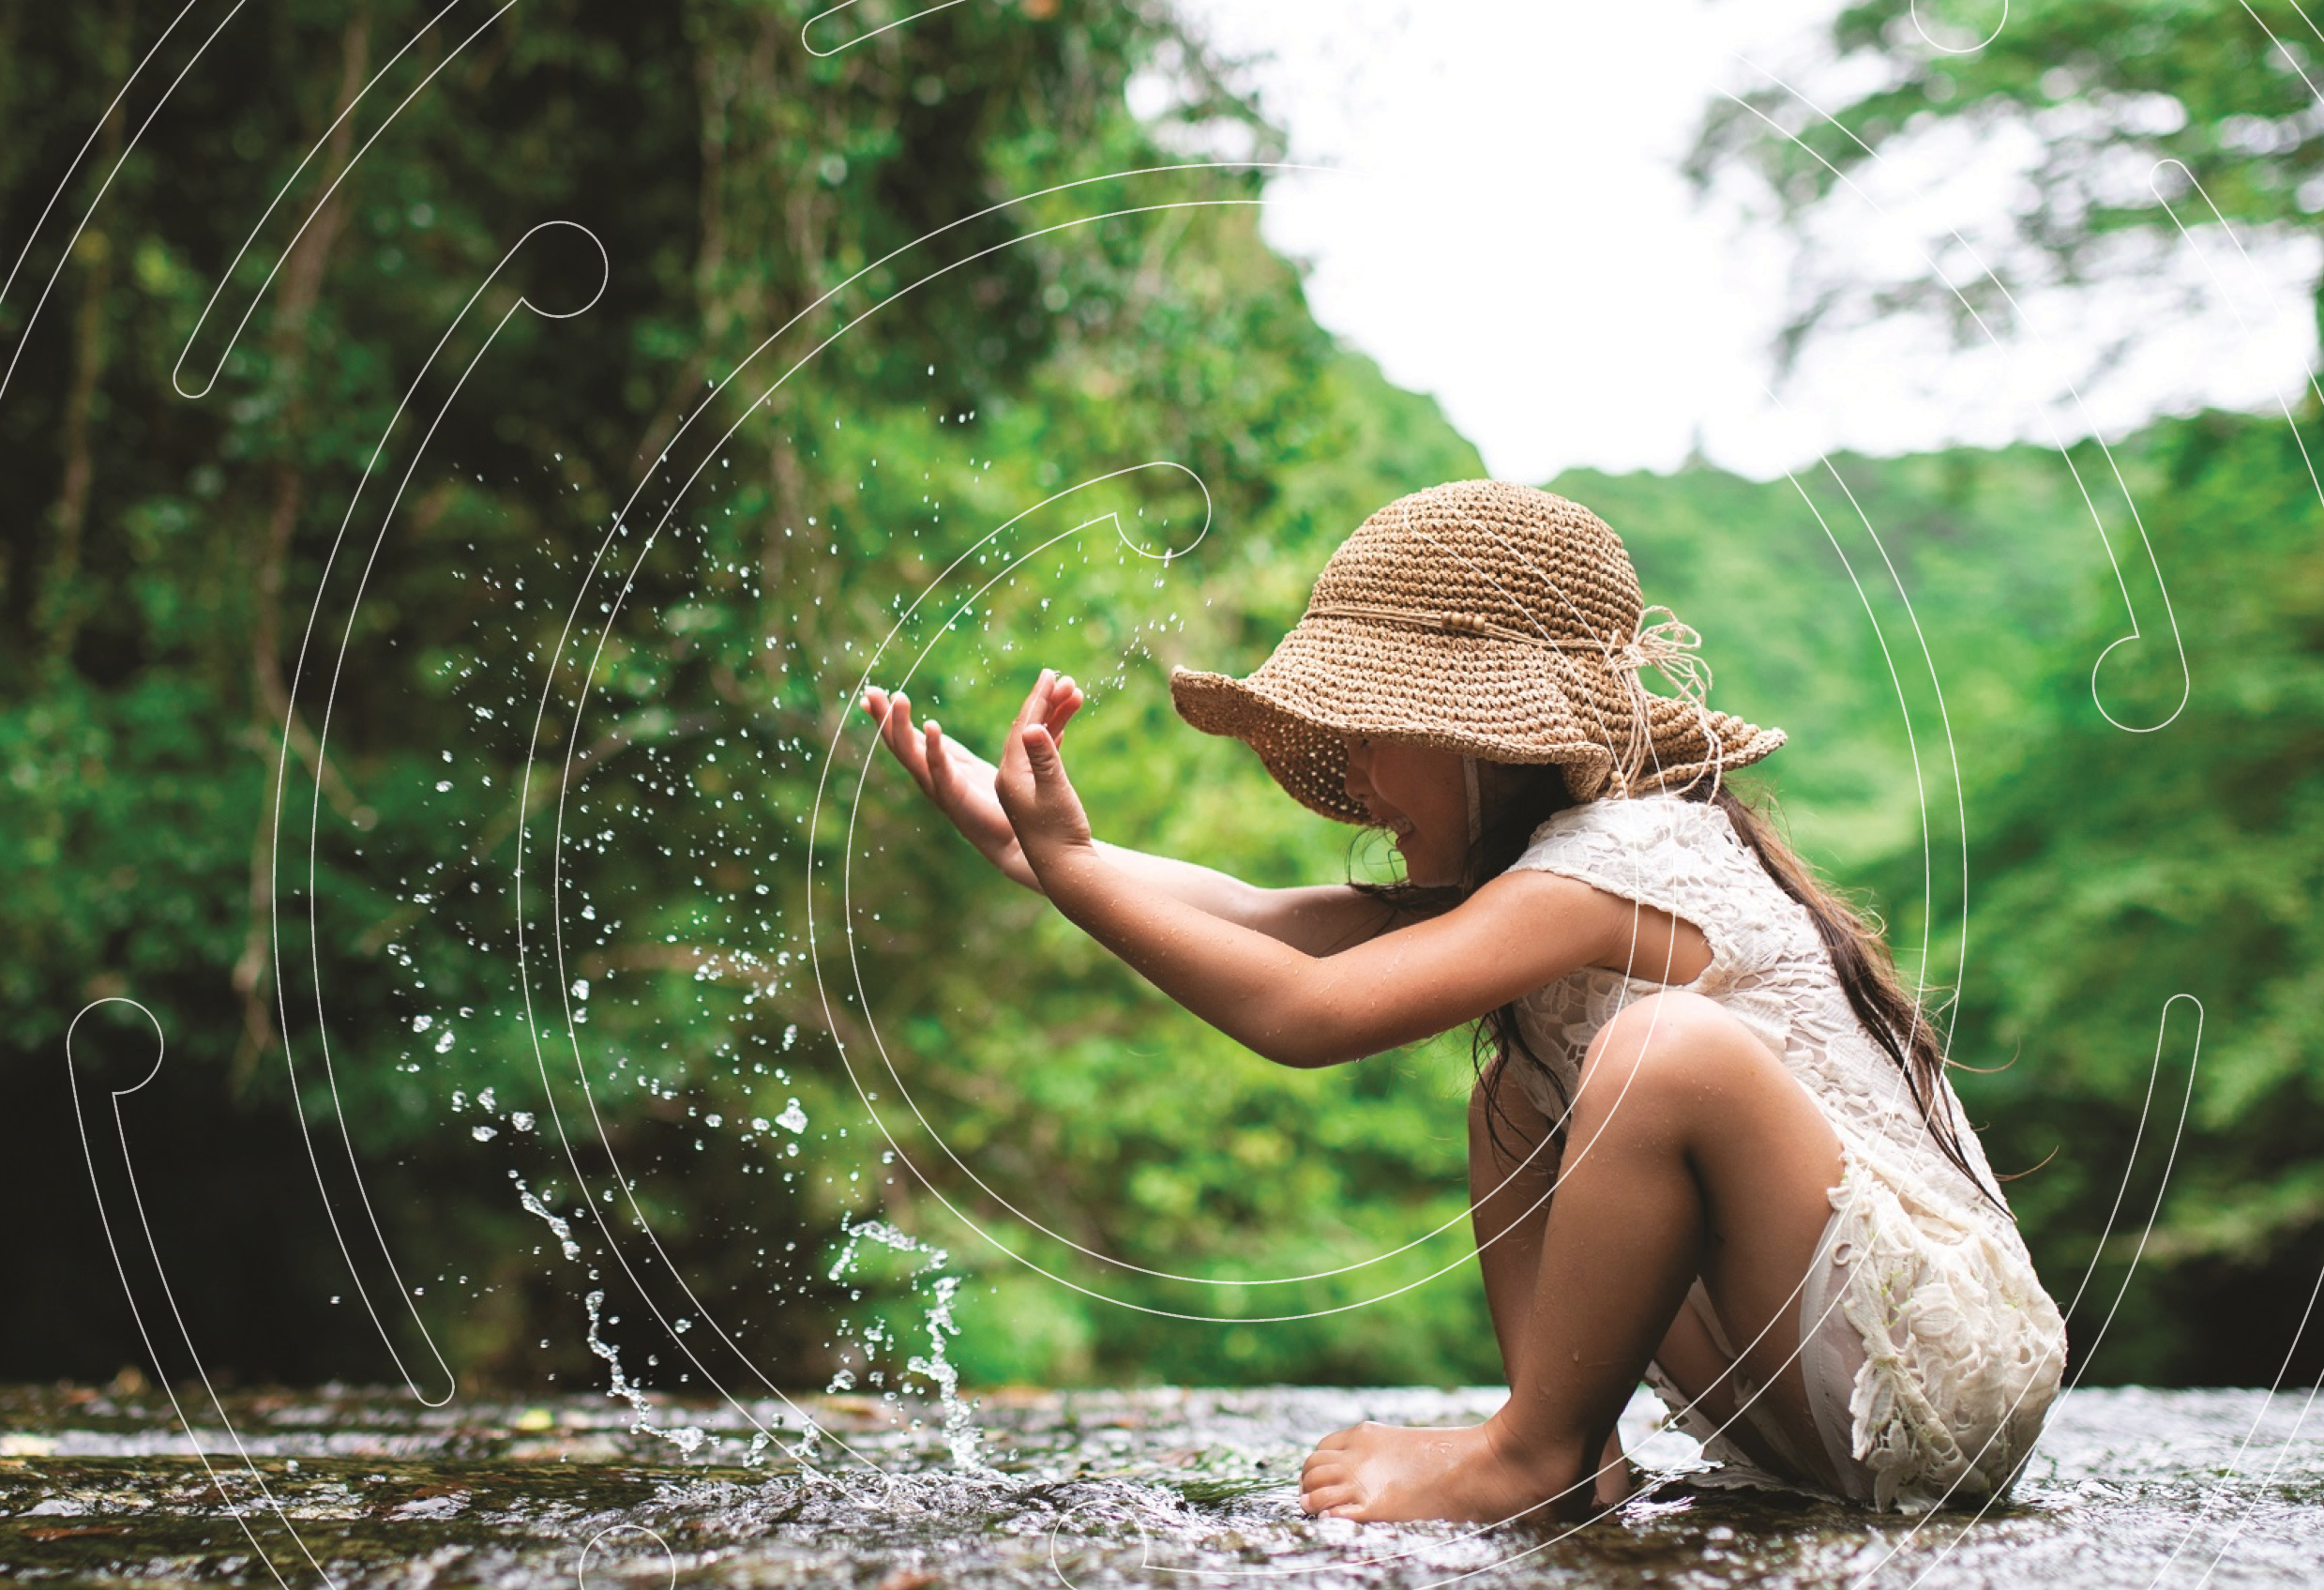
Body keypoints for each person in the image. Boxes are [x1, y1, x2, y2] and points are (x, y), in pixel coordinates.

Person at [859, 478, 2066, 1522]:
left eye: (1380, 734)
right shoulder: (1533, 880)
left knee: (1663, 1052)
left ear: (1490, 736)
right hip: (1805, 1388)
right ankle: (1576, 1451)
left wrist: (1070, 870)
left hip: (1929, 1375)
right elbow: (1262, 918)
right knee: (1513, 1096)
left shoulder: (1629, 860)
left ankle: (1527, 1454)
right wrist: (1042, 856)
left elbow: (1303, 1012)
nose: (1364, 779)